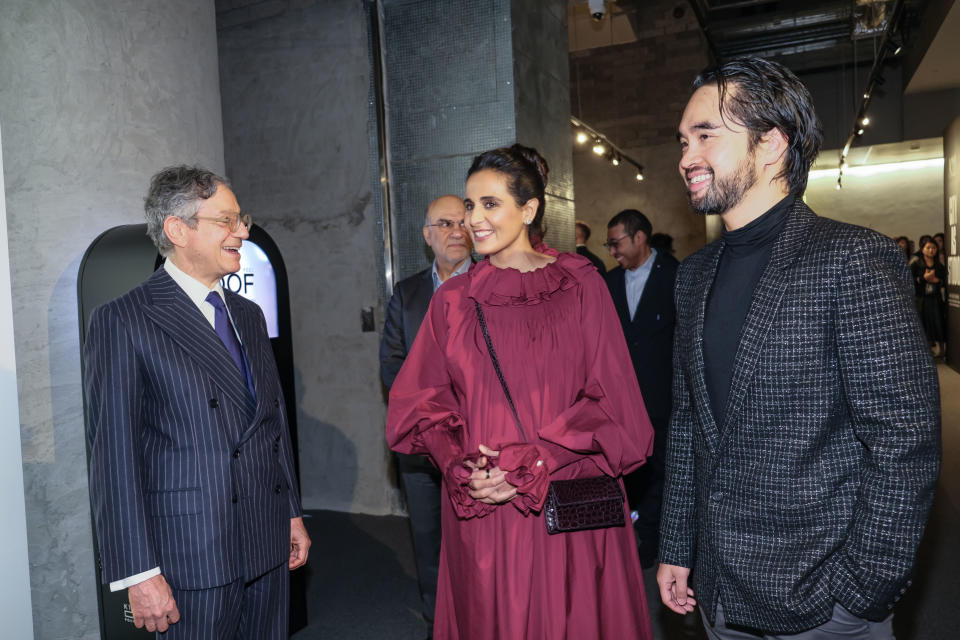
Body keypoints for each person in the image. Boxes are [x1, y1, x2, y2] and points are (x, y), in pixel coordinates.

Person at [659, 57, 940, 639]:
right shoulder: (693, 275)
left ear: (771, 144)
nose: (686, 157)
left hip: (823, 606)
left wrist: (861, 592)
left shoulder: (851, 260)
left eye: (707, 135)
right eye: (684, 140)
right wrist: (677, 546)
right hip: (719, 596)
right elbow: (688, 425)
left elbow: (904, 442)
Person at [387, 144, 654, 639]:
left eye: (490, 204)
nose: (474, 220)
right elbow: (421, 403)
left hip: (565, 493)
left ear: (529, 209)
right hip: (485, 505)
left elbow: (616, 405)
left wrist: (534, 462)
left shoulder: (580, 286)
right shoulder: (452, 301)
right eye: (470, 206)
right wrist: (458, 467)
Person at [84, 166, 310, 637]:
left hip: (265, 540)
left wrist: (290, 512)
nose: (243, 231)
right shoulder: (124, 320)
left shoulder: (248, 314)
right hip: (191, 557)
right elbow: (113, 458)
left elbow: (272, 424)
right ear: (177, 229)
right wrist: (139, 574)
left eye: (241, 219)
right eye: (227, 220)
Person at [379, 194, 473, 638]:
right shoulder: (408, 293)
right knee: (428, 541)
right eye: (446, 223)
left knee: (478, 543)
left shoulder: (495, 283)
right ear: (427, 235)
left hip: (481, 445)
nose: (457, 230)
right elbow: (392, 367)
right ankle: (439, 621)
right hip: (421, 446)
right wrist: (432, 417)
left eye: (463, 221)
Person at [603, 208, 678, 568]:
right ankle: (628, 536)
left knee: (661, 472)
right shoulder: (608, 282)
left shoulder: (676, 276)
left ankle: (652, 540)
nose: (612, 251)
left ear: (639, 237)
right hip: (619, 402)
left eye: (616, 243)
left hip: (663, 400)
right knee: (627, 472)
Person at [912, 237, 947, 357]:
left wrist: (937, 280)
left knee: (938, 322)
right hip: (921, 298)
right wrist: (923, 279)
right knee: (923, 323)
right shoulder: (916, 264)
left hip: (935, 298)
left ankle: (941, 349)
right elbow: (909, 280)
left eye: (934, 248)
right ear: (922, 249)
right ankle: (925, 350)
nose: (931, 250)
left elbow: (945, 281)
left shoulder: (939, 265)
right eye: (928, 248)